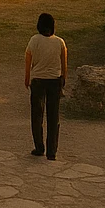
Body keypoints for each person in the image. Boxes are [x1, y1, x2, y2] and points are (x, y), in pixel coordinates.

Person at [24, 12, 67, 160]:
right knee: (53, 117)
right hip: (54, 80)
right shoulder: (60, 42)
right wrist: (63, 79)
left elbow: (28, 59)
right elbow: (64, 63)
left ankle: (39, 147)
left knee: (37, 115)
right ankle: (52, 151)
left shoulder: (34, 40)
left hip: (38, 81)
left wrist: (27, 78)